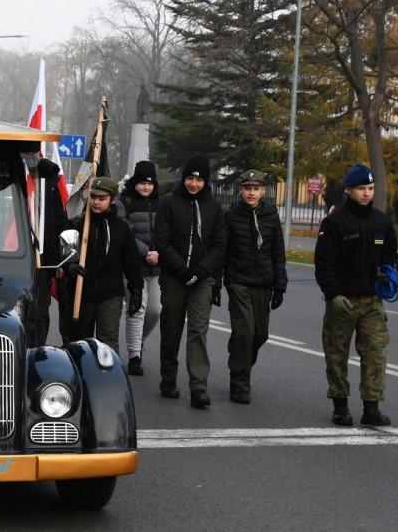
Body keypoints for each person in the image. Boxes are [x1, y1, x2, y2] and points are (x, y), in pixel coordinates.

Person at [314, 163, 398, 427]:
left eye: (371, 188)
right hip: (342, 301)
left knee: (375, 353)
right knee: (336, 354)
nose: (366, 193)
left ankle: (371, 408)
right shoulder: (335, 222)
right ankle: (341, 407)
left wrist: (390, 272)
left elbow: (390, 255)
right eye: (361, 188)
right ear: (348, 189)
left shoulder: (382, 222)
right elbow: (324, 263)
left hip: (372, 301)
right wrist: (334, 295)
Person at [153, 153, 226, 408]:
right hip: (175, 276)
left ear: (206, 181)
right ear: (184, 178)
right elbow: (161, 240)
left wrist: (202, 272)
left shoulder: (215, 208)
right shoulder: (168, 203)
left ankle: (198, 387)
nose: (193, 184)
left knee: (198, 330)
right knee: (171, 328)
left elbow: (219, 245)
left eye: (198, 179)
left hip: (202, 279)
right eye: (189, 178)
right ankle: (169, 378)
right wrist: (182, 270)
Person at [222, 169, 287, 404]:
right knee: (245, 332)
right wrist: (218, 283)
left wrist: (280, 286)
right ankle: (239, 382)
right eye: (247, 188)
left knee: (259, 334)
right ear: (240, 190)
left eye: (256, 188)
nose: (251, 192)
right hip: (238, 281)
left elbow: (278, 254)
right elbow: (222, 250)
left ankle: (239, 356)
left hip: (264, 283)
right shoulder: (230, 216)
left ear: (263, 190)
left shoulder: (271, 215)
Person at [62, 176, 143, 357]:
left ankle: (108, 382)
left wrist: (136, 287)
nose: (96, 202)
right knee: (79, 342)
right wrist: (70, 267)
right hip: (82, 292)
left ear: (113, 200)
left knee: (108, 343)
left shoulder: (123, 227)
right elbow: (65, 252)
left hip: (110, 294)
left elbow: (131, 260)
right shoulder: (78, 222)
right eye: (93, 197)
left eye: (101, 198)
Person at [118, 160, 162, 375]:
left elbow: (168, 232)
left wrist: (159, 253)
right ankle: (135, 357)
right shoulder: (124, 202)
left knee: (155, 310)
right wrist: (145, 252)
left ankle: (140, 340)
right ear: (134, 182)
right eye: (142, 182)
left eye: (150, 183)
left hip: (156, 267)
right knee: (137, 309)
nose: (146, 187)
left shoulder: (162, 204)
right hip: (132, 265)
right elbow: (123, 232)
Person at [27, 158, 71, 348]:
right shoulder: (17, 182)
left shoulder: (51, 187)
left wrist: (60, 261)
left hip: (43, 261)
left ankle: (37, 354)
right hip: (16, 257)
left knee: (39, 313)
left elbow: (59, 224)